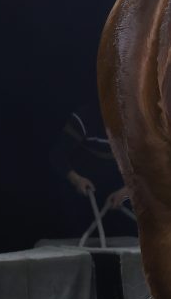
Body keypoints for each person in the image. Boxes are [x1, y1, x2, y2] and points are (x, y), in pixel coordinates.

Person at [50, 101, 133, 237]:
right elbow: (57, 155)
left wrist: (127, 190)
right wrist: (76, 179)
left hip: (119, 189)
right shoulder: (86, 116)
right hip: (84, 188)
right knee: (78, 233)